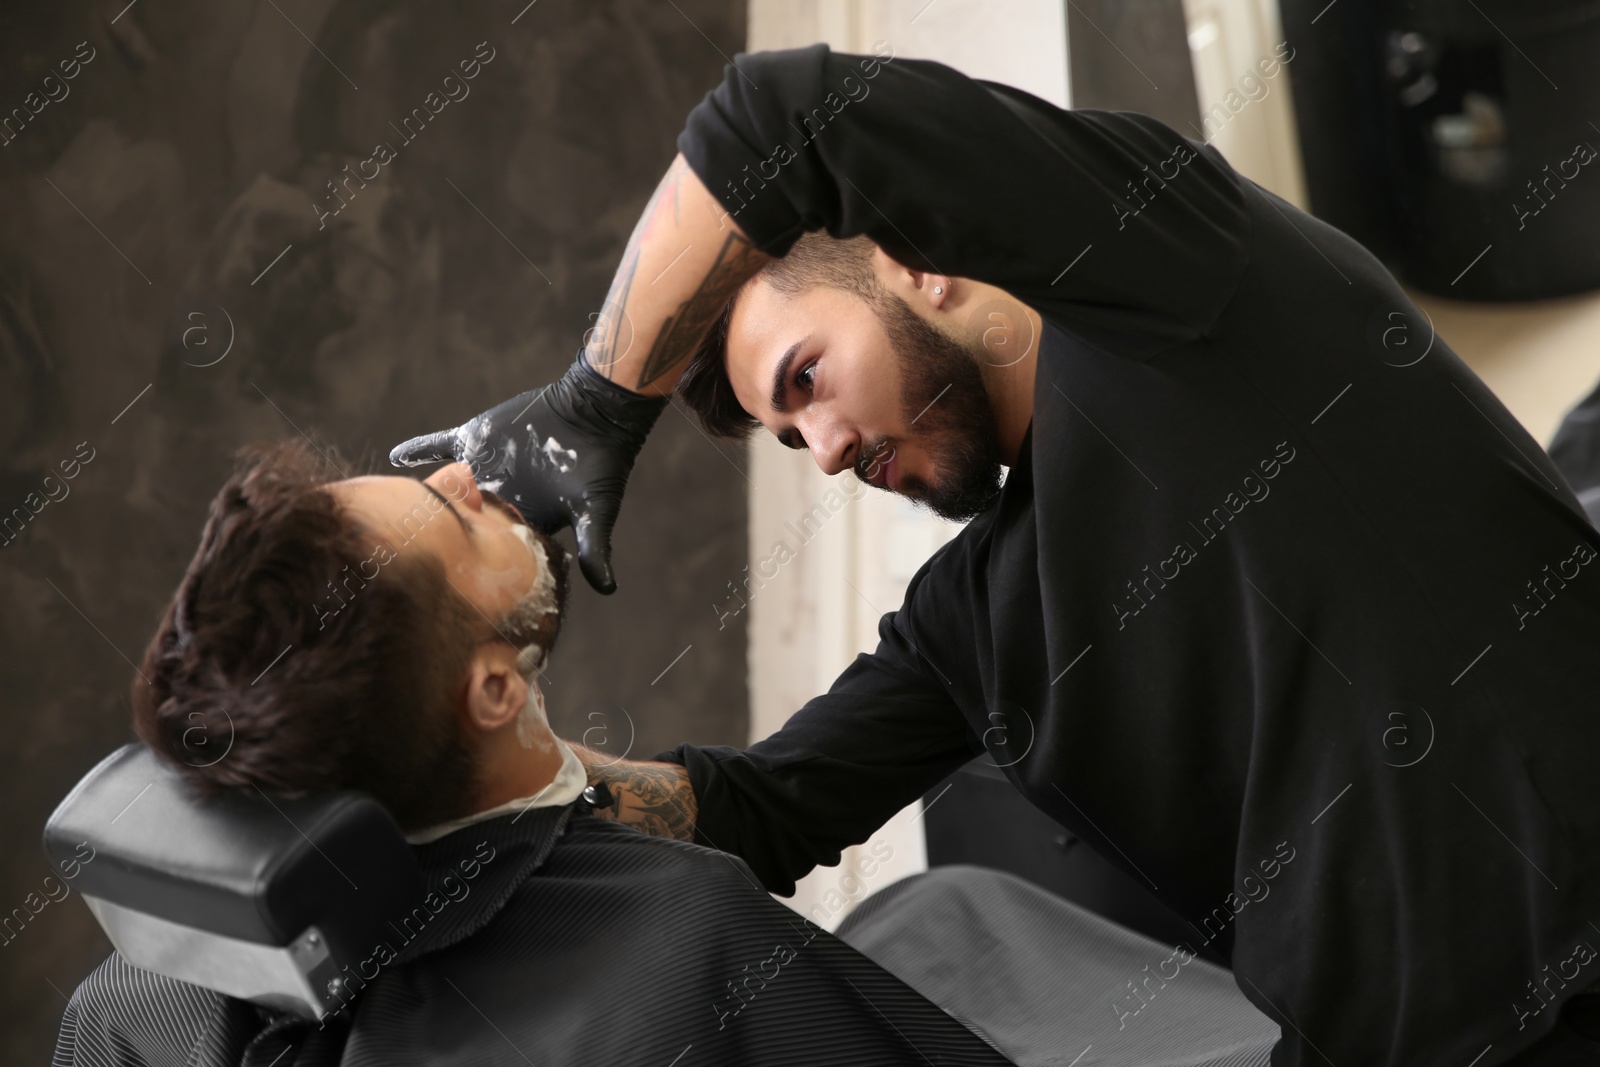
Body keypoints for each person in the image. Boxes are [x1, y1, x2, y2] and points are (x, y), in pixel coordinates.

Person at [390, 44, 1600, 1067]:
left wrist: (591, 407)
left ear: (914, 259)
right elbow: (751, 810)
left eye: (805, 379)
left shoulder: (1173, 282)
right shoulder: (972, 621)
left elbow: (780, 115)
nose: (819, 450)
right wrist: (488, 766)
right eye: (786, 430)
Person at [50, 439, 1028, 1066]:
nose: (461, 472)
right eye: (452, 514)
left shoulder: (130, 1005)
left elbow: (761, 799)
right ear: (493, 689)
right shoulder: (683, 941)